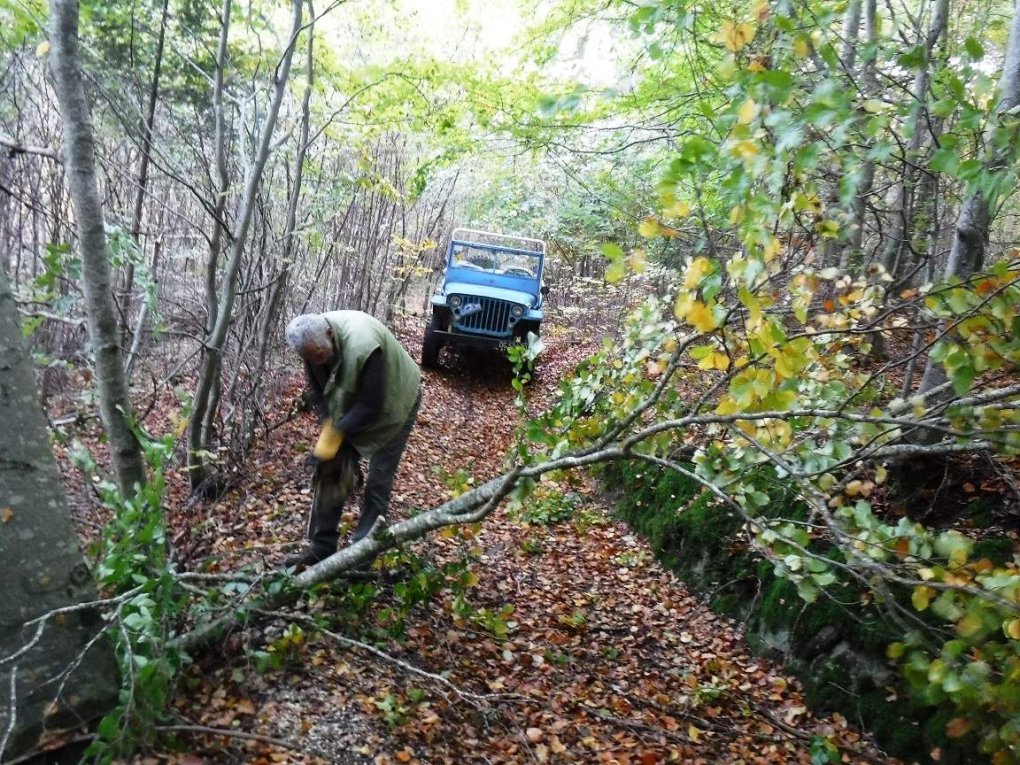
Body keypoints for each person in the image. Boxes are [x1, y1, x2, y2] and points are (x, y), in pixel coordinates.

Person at [283, 310, 422, 570]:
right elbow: (320, 395)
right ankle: (321, 546)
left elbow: (371, 406)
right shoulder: (312, 346)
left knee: (378, 480)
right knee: (329, 466)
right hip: (357, 399)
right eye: (312, 359)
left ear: (330, 334)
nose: (317, 361)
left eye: (321, 356)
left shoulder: (364, 344)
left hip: (396, 400)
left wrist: (336, 437)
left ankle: (361, 556)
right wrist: (328, 445)